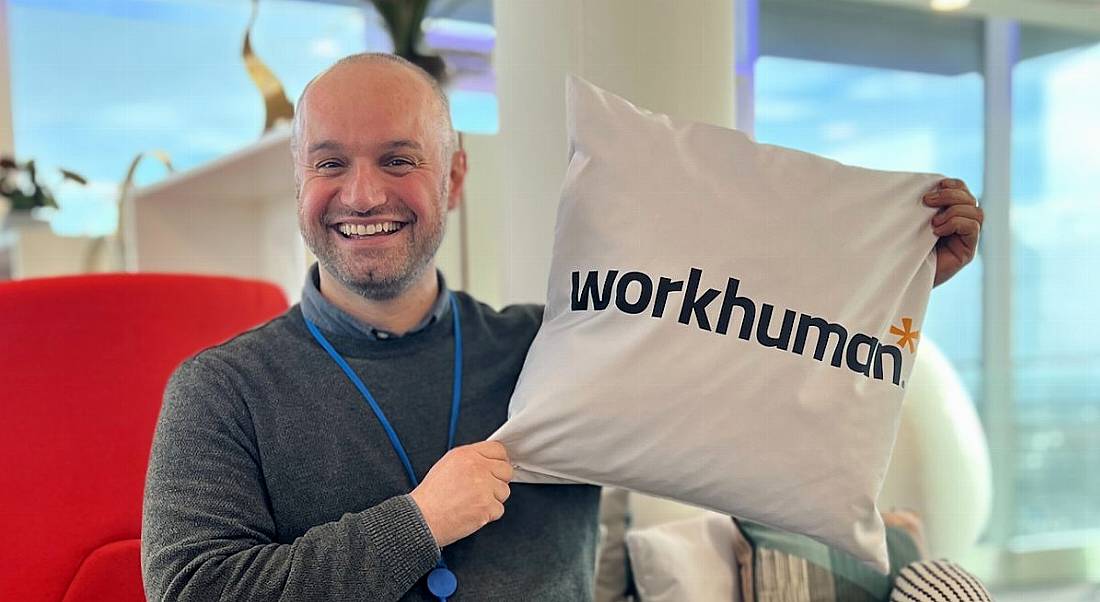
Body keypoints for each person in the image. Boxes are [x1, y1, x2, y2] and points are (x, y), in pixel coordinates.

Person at [141, 52, 983, 601]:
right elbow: (192, 590)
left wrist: (889, 284)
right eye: (331, 163)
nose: (363, 194)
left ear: (455, 176)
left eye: (400, 159)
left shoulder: (563, 344)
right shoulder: (221, 389)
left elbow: (753, 366)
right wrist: (419, 523)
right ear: (300, 186)